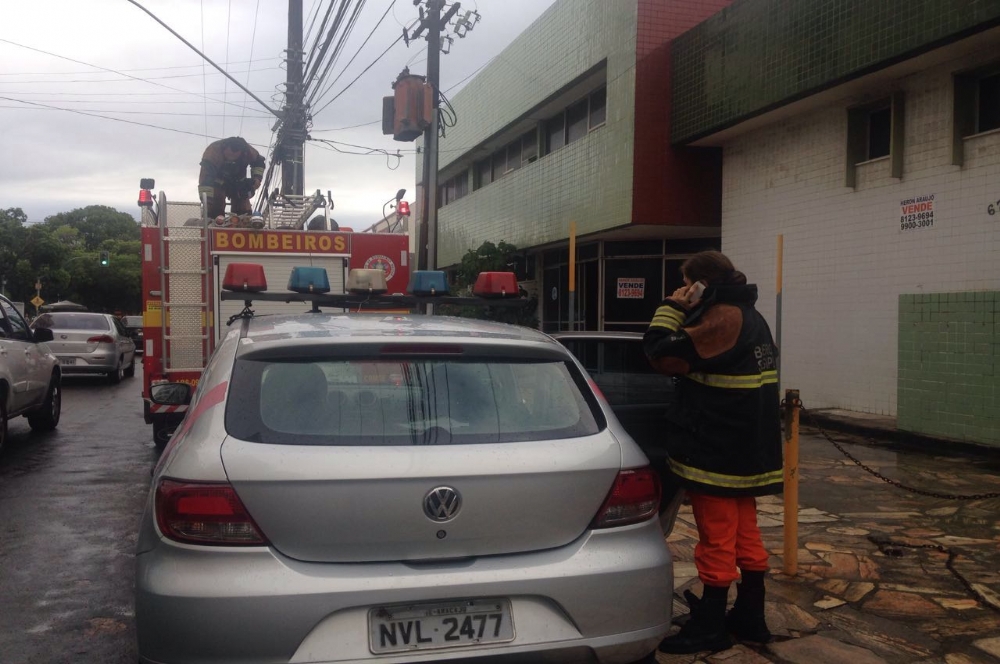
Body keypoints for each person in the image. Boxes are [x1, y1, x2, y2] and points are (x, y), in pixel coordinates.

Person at [643, 250, 782, 654]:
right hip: (747, 451)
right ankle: (750, 617)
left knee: (717, 540)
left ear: (700, 284)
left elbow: (659, 352)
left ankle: (710, 626)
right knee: (746, 536)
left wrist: (671, 306)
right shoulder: (751, 317)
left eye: (688, 283)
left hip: (717, 452)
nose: (685, 290)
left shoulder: (722, 318)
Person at [198, 137, 266, 218]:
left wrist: (257, 178)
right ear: (225, 148)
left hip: (238, 181)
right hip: (216, 181)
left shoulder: (247, 151)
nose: (231, 158)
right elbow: (205, 178)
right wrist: (207, 201)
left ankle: (244, 221)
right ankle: (215, 220)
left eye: (235, 156)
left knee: (243, 202)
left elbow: (259, 162)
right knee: (216, 202)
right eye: (229, 155)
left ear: (241, 152)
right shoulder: (213, 151)